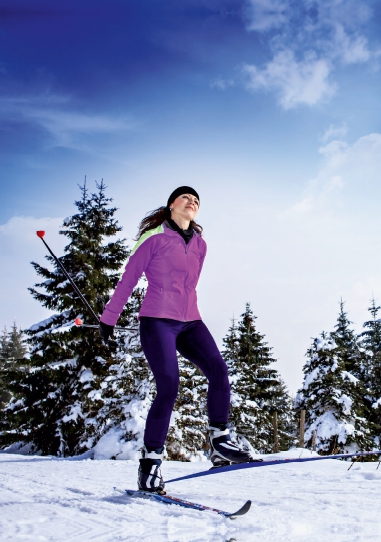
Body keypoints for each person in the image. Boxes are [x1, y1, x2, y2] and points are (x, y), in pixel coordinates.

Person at [99, 186, 255, 494]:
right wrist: (109, 318)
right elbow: (129, 278)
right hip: (157, 320)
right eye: (186, 198)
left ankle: (220, 441)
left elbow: (189, 284)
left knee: (219, 371)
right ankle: (150, 466)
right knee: (169, 385)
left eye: (196, 201)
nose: (192, 203)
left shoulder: (200, 245)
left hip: (191, 321)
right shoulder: (154, 238)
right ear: (172, 205)